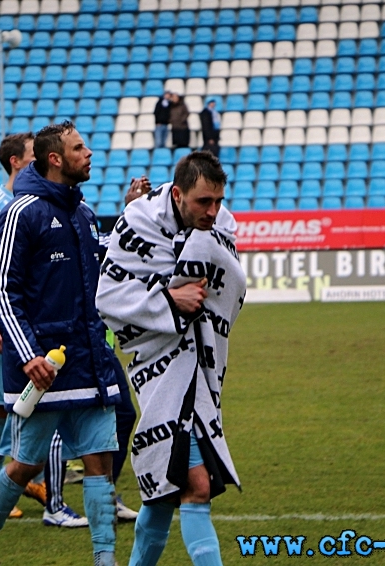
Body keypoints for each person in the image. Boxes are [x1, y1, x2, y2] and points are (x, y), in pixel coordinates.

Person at [0, 121, 123, 566]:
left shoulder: (84, 213)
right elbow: (1, 289)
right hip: (42, 368)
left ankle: (104, 558)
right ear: (55, 158)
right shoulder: (21, 212)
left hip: (89, 361)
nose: (89, 153)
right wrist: (28, 353)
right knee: (24, 466)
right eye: (79, 147)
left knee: (99, 462)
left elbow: (98, 268)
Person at [96, 151, 246, 566]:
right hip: (158, 368)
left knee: (164, 493)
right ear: (178, 194)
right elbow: (107, 296)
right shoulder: (138, 222)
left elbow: (230, 289)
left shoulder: (222, 225)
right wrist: (169, 297)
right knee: (196, 485)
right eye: (203, 202)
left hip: (204, 368)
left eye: (218, 201)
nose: (213, 212)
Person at [0, 133, 86, 528]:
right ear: (18, 162)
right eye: (32, 154)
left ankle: (34, 475)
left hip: (45, 329)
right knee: (1, 404)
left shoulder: (48, 203)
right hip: (7, 326)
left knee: (39, 404)